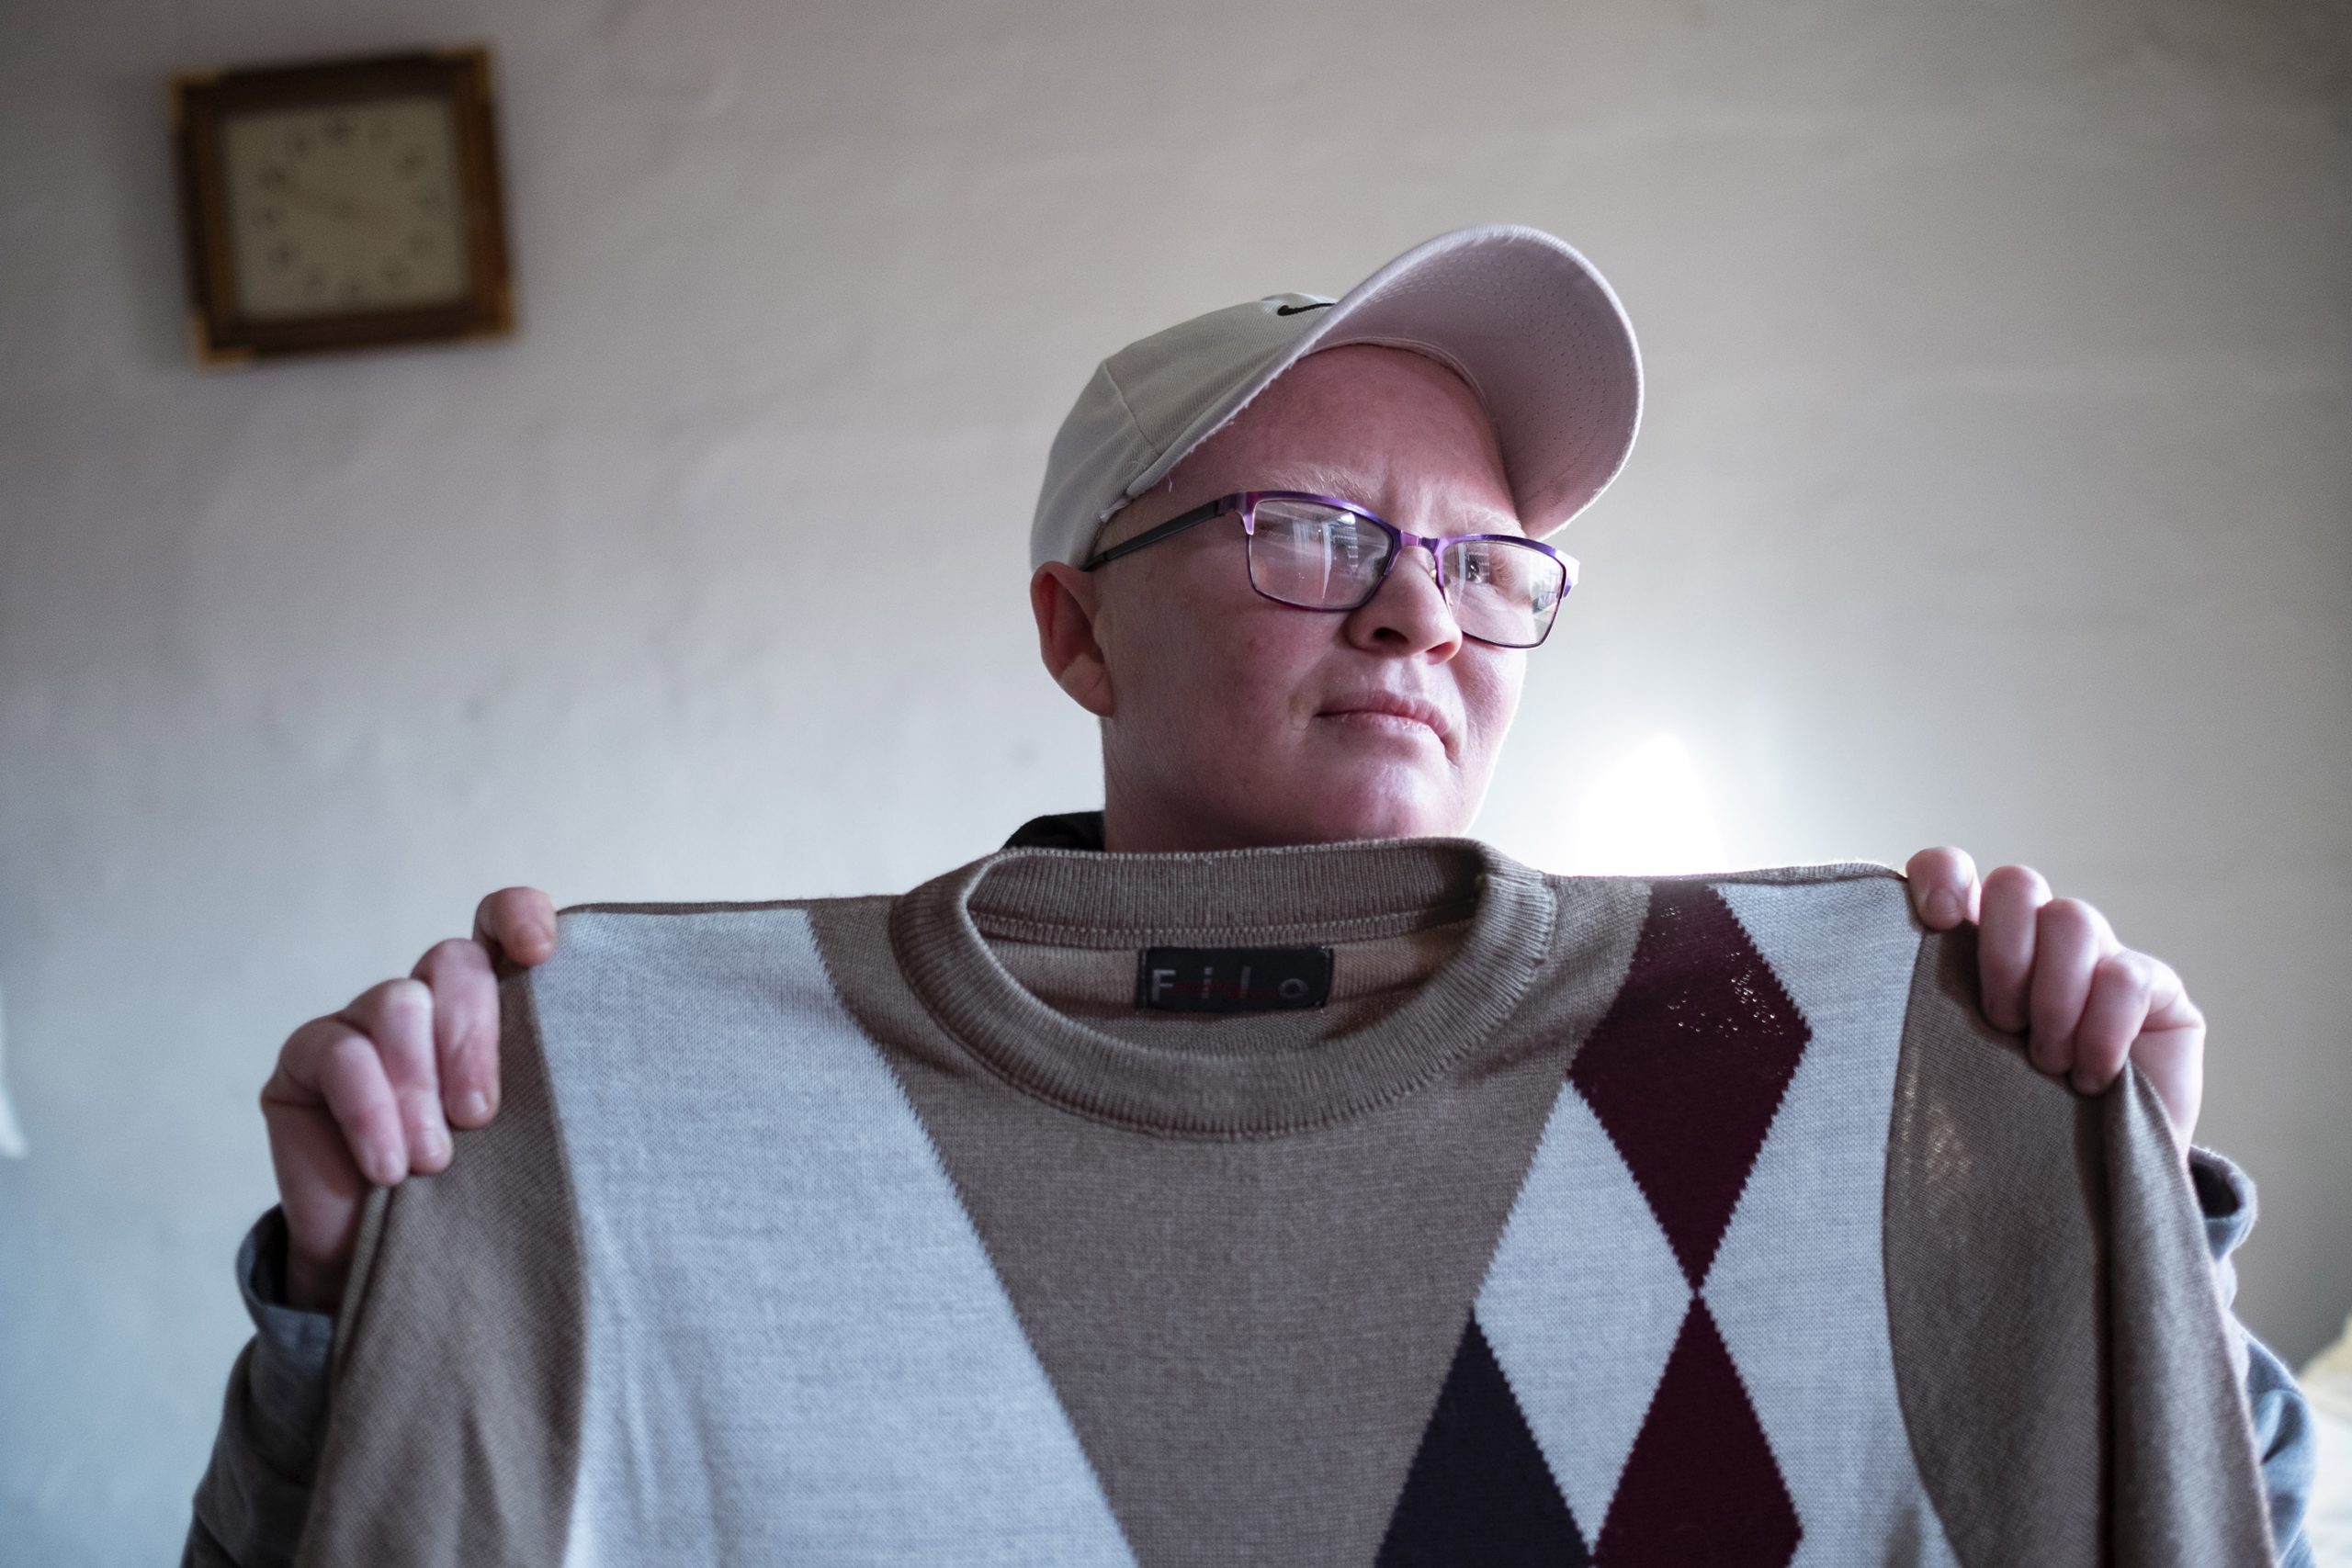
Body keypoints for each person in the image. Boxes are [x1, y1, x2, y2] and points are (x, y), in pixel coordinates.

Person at [187, 225, 2313, 1565]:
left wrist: (2108, 1214)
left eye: (1485, 562)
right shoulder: (642, 1108)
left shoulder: (1798, 1070)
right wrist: (358, 1305)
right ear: (1071, 629)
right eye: (1307, 529)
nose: (1416, 613)